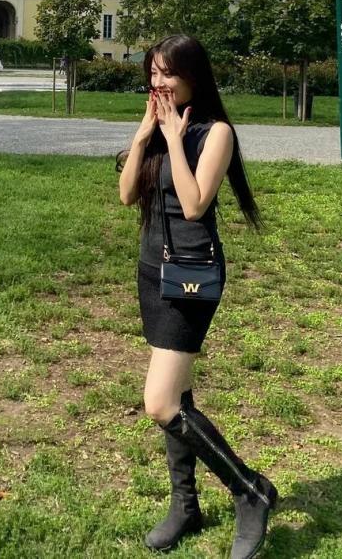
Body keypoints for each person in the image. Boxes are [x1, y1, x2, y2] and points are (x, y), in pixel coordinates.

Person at [118, 35, 276, 559]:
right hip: (152, 270)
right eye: (153, 72)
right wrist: (144, 136)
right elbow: (127, 195)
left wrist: (173, 138)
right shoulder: (158, 128)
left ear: (193, 76)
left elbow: (194, 204)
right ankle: (185, 505)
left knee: (160, 403)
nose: (158, 82)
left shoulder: (216, 133)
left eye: (168, 73)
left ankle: (250, 490)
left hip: (191, 274)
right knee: (177, 398)